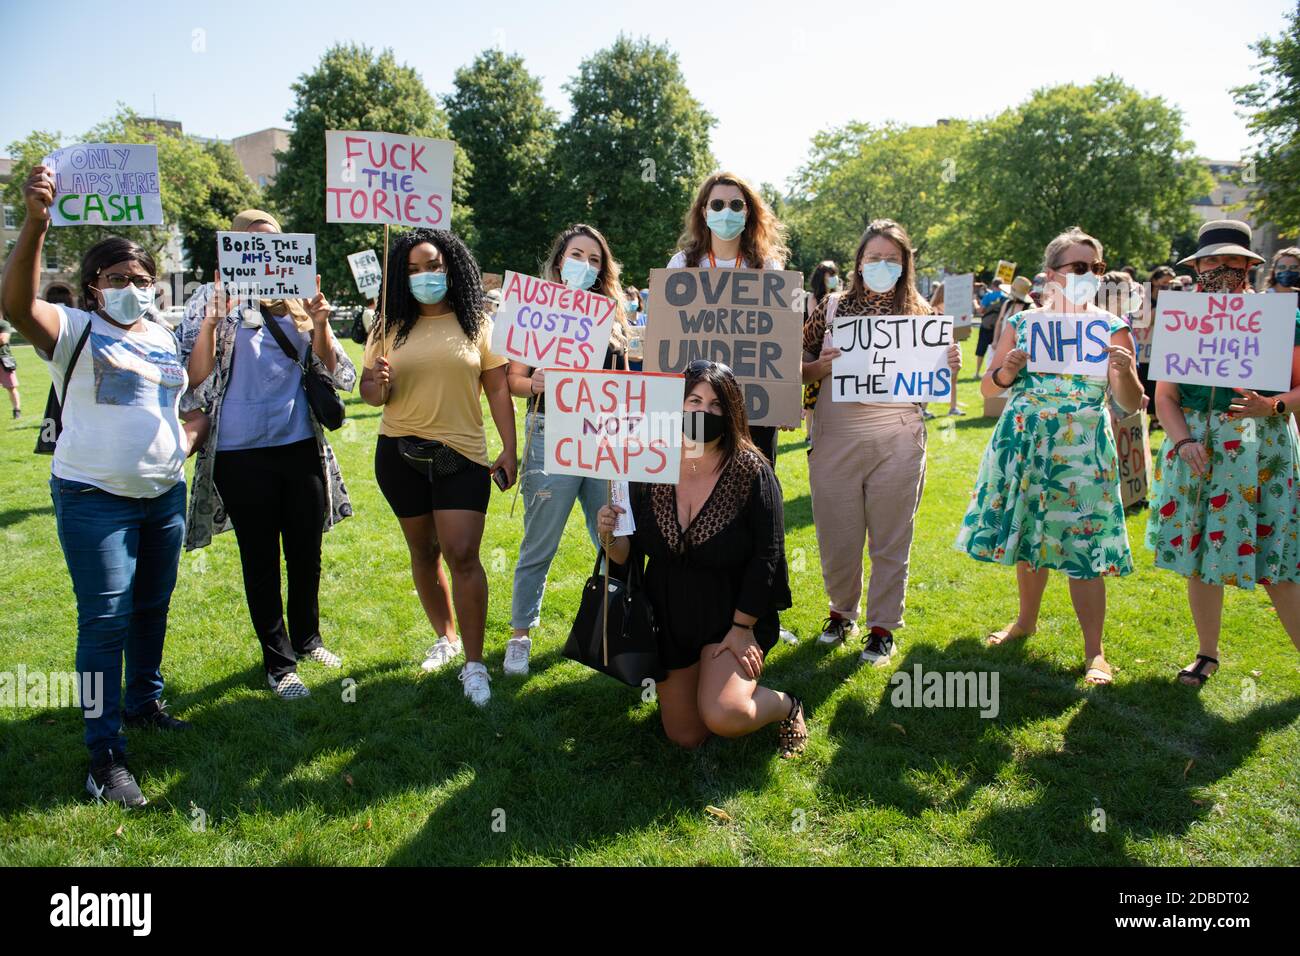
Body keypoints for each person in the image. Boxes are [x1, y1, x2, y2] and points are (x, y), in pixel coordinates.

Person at [2, 165, 208, 806]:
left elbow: (173, 409)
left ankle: (144, 702)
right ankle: (104, 756)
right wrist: (36, 221)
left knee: (152, 608)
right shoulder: (75, 331)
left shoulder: (163, 336)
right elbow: (14, 306)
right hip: (94, 499)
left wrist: (186, 439)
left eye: (141, 280)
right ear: (93, 288)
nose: (132, 289)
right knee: (105, 619)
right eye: (118, 280)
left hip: (162, 498)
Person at [957, 227, 1145, 686]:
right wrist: (1006, 371)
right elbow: (988, 387)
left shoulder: (1111, 326)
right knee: (1029, 534)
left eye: (1096, 268)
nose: (1090, 275)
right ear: (1051, 275)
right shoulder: (1023, 324)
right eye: (1079, 267)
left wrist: (1121, 373)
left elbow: (1132, 401)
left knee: (1084, 543)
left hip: (1083, 447)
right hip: (1025, 440)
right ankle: (1025, 621)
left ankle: (1094, 651)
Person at [181, 209, 356, 700]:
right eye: (252, 242)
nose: (264, 251)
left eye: (274, 242)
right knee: (260, 558)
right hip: (239, 455)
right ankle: (279, 664)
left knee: (306, 551)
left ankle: (308, 638)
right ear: (231, 248)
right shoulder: (208, 300)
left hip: (298, 445)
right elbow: (192, 379)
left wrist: (319, 322)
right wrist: (213, 321)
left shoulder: (299, 300)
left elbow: (336, 373)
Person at [595, 361, 805, 756]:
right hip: (669, 618)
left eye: (715, 405)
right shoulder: (649, 464)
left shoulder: (751, 471)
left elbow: (769, 555)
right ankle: (707, 680)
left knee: (724, 715)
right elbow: (626, 554)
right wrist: (608, 534)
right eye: (693, 400)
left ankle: (787, 704)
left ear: (731, 413)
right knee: (685, 736)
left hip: (730, 616)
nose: (702, 412)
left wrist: (743, 627)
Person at [359, 228, 516, 706]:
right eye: (410, 270)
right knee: (423, 553)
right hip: (399, 454)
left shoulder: (478, 324)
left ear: (451, 266)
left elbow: (497, 389)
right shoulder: (387, 325)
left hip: (463, 456)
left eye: (431, 266)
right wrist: (377, 381)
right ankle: (445, 637)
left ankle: (474, 664)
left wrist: (509, 448)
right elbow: (371, 395)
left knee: (463, 554)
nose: (424, 276)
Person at [1145, 219, 1300, 686]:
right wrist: (1184, 441)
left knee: (1279, 558)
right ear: (1198, 265)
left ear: (1250, 265)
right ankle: (1206, 654)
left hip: (1263, 445)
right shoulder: (1182, 316)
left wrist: (1270, 404)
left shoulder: (1282, 317)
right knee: (1202, 554)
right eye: (1212, 260)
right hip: (1198, 447)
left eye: (1233, 260)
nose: (1222, 268)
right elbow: (1165, 396)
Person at [802, 219, 962, 663]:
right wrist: (819, 368)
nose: (881, 266)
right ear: (859, 262)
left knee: (892, 537)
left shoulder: (924, 315)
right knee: (838, 533)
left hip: (899, 436)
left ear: (906, 264)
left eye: (892, 259)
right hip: (836, 433)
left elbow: (935, 377)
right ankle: (840, 613)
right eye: (874, 258)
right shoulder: (831, 309)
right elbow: (797, 362)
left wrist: (950, 361)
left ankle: (882, 626)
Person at [503, 224, 630, 676]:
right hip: (548, 435)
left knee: (614, 537)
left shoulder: (613, 316)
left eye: (596, 260)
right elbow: (514, 379)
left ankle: (620, 626)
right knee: (540, 541)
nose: (587, 266)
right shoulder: (536, 309)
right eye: (578, 256)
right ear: (560, 261)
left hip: (601, 437)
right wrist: (531, 381)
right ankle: (521, 633)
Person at [667, 170, 789, 466]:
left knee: (752, 488)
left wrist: (783, 399)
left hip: (753, 409)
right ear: (704, 211)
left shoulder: (767, 266)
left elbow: (780, 337)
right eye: (717, 204)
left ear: (748, 212)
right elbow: (668, 333)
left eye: (736, 205)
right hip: (699, 407)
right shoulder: (683, 263)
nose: (726, 212)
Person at [1135, 265, 1175, 428]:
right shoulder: (1143, 299)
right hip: (1144, 349)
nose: (1166, 287)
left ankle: (1156, 418)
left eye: (1170, 284)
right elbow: (1144, 319)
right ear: (1154, 281)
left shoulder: (1171, 298)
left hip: (1160, 350)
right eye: (1164, 283)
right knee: (1144, 381)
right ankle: (1144, 417)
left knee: (1156, 384)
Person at [0, 314, 19, 418]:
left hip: (3, 360)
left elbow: (3, 339)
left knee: (11, 387)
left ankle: (16, 410)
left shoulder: (3, 324)